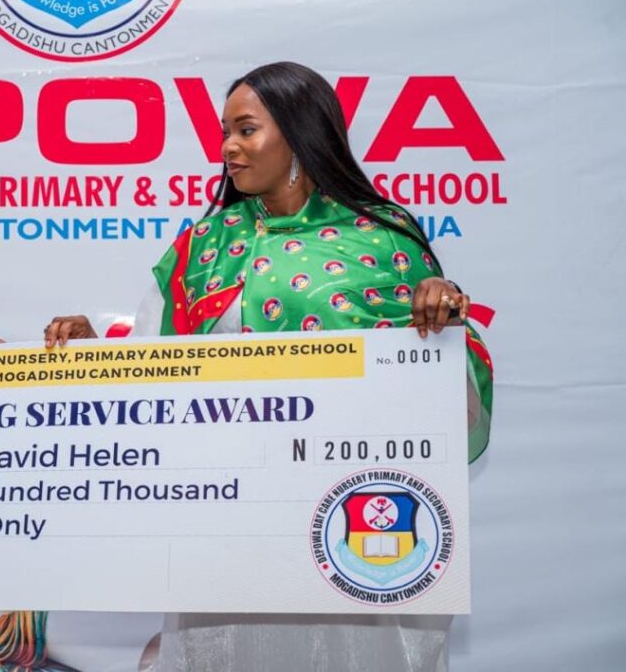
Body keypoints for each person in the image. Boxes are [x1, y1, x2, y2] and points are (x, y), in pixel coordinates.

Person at [35, 62, 493, 672]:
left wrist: (441, 317)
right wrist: (90, 353)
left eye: (246, 130)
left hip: (354, 526)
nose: (228, 147)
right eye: (224, 132)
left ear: (300, 134)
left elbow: (437, 393)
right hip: (231, 530)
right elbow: (153, 368)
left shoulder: (385, 237)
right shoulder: (207, 243)